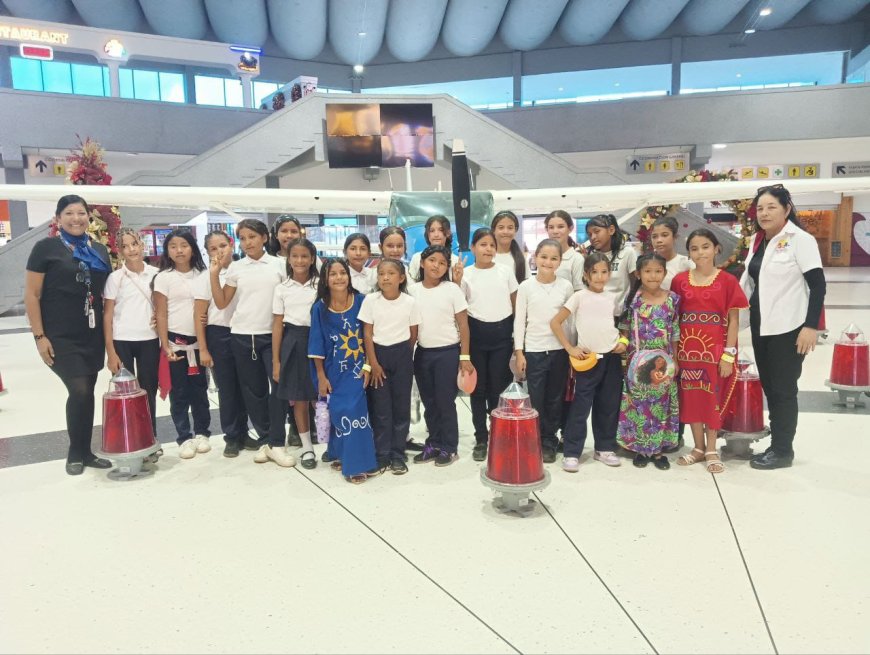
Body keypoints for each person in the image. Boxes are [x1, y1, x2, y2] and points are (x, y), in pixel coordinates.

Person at [24, 194, 113, 475]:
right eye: (69, 213)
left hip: (91, 333)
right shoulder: (45, 248)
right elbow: (32, 294)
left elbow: (106, 293)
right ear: (58, 219)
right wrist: (40, 337)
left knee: (87, 392)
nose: (76, 218)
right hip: (59, 335)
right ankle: (75, 453)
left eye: (81, 213)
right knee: (79, 389)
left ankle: (86, 452)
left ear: (89, 217)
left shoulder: (99, 249)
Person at [742, 184, 826, 470]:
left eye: (771, 207)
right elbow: (750, 282)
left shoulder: (800, 240)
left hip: (789, 327)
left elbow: (817, 285)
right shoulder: (757, 240)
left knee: (783, 389)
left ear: (787, 209)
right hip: (761, 325)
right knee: (770, 386)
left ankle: (782, 451)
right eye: (760, 208)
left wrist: (810, 327)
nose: (764, 213)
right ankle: (776, 445)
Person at [211, 219, 292, 467]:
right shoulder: (236, 268)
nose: (248, 243)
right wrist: (215, 275)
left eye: (252, 237)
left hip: (273, 335)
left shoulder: (279, 265)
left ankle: (277, 440)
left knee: (277, 389)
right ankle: (266, 439)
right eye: (243, 238)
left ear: (265, 238)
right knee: (253, 392)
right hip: (242, 336)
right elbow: (223, 302)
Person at [671, 229, 748, 474]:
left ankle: (713, 448)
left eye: (705, 246)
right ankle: (698, 447)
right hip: (687, 351)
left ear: (716, 249)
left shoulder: (727, 281)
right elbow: (675, 318)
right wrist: (675, 355)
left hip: (715, 351)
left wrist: (728, 354)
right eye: (694, 248)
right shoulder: (680, 280)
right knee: (692, 397)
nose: (700, 252)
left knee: (712, 398)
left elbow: (733, 320)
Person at [550, 253, 627, 472]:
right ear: (586, 274)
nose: (600, 277)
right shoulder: (579, 297)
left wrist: (622, 340)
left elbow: (618, 325)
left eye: (604, 272)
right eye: (595, 272)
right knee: (580, 408)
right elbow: (556, 323)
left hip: (611, 359)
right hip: (588, 361)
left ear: (609, 274)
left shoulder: (612, 298)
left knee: (609, 405)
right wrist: (570, 348)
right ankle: (572, 451)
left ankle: (604, 448)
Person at [308, 258, 378, 483]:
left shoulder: (361, 301)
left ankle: (357, 464)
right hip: (331, 370)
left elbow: (370, 337)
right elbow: (316, 343)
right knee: (338, 409)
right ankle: (339, 453)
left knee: (354, 410)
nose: (338, 277)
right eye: (332, 274)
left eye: (342, 273)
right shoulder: (319, 308)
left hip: (358, 368)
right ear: (325, 280)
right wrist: (320, 376)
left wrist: (368, 365)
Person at [408, 245, 474, 466]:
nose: (436, 265)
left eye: (442, 262)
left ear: (447, 267)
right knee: (429, 402)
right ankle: (433, 443)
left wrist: (464, 357)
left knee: (445, 402)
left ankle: (449, 446)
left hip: (448, 353)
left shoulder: (452, 289)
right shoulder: (413, 290)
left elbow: (463, 324)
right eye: (432, 260)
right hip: (423, 354)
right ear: (422, 262)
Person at [456, 228, 518, 462]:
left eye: (491, 245)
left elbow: (515, 305)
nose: (488, 249)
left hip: (502, 336)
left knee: (498, 389)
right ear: (472, 248)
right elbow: (459, 310)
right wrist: (457, 280)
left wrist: (516, 340)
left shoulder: (505, 271)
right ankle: (481, 438)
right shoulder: (466, 274)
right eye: (482, 244)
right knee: (477, 390)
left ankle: (498, 434)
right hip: (476, 336)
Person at [194, 230, 256, 458]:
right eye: (213, 248)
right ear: (207, 252)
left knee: (245, 386)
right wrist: (203, 348)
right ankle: (231, 436)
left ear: (232, 245)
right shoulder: (205, 277)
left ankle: (244, 431)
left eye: (223, 245)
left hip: (245, 331)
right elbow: (199, 314)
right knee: (227, 389)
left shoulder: (243, 270)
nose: (220, 251)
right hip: (218, 334)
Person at [616, 253, 680, 469]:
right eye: (647, 271)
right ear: (639, 273)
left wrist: (675, 359)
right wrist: (625, 358)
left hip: (664, 361)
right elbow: (624, 328)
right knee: (639, 405)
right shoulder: (633, 299)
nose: (653, 276)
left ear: (664, 272)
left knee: (661, 406)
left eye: (658, 271)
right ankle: (640, 448)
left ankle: (658, 450)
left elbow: (675, 332)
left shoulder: (672, 299)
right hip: (638, 361)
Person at [513, 238, 573, 463]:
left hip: (559, 351)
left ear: (560, 261)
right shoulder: (526, 286)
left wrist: (572, 348)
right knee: (536, 399)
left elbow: (569, 321)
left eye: (554, 258)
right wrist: (520, 352)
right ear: (535, 257)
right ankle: (535, 439)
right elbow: (520, 321)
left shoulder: (565, 286)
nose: (548, 262)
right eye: (544, 257)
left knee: (555, 398)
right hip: (535, 352)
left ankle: (550, 440)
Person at [152, 229, 211, 459]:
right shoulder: (163, 277)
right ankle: (184, 437)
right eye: (173, 246)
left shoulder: (202, 274)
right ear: (167, 250)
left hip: (200, 343)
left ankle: (203, 432)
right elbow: (161, 313)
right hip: (176, 343)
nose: (179, 250)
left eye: (184, 245)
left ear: (192, 248)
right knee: (179, 392)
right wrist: (165, 343)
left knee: (200, 390)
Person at [359, 259, 420, 475]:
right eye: (381, 273)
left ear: (401, 278)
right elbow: (367, 333)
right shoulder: (371, 301)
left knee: (401, 407)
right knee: (381, 408)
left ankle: (398, 454)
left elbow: (413, 334)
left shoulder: (409, 302)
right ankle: (381, 454)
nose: (385, 277)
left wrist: (404, 354)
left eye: (391, 273)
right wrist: (373, 362)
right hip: (378, 356)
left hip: (402, 355)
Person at [103, 228, 160, 441]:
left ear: (142, 244)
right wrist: (111, 352)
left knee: (148, 390)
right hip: (122, 340)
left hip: (149, 340)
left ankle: (149, 436)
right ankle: (128, 437)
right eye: (125, 246)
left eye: (134, 244)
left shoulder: (155, 273)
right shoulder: (115, 278)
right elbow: (107, 316)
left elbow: (163, 306)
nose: (131, 249)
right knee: (124, 391)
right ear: (119, 251)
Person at [271, 238, 320, 470]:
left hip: (319, 340)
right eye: (295, 256)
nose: (300, 261)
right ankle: (307, 446)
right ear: (288, 259)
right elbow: (277, 325)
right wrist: (276, 361)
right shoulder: (282, 289)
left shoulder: (321, 285)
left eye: (304, 256)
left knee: (322, 396)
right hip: (293, 341)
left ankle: (333, 442)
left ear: (312, 259)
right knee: (300, 398)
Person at [378, 225, 426, 453]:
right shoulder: (374, 277)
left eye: (399, 246)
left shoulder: (411, 277)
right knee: (381, 400)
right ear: (381, 247)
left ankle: (402, 438)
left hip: (402, 349)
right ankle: (382, 441)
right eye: (390, 245)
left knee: (403, 397)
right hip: (377, 349)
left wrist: (406, 349)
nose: (395, 250)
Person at [585, 213, 638, 316]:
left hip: (620, 315)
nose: (593, 237)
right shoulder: (591, 256)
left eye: (596, 231)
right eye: (589, 234)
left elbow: (634, 286)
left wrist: (627, 312)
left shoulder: (627, 252)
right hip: (596, 313)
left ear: (611, 230)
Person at [408, 215, 463, 282]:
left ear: (448, 233)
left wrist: (457, 281)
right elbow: (410, 286)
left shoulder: (455, 261)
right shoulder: (417, 258)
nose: (436, 234)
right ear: (427, 234)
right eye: (432, 231)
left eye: (441, 230)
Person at [650, 216, 692, 291]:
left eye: (664, 235)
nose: (659, 240)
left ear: (675, 237)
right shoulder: (647, 263)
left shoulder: (686, 263)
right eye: (654, 236)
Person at [544, 210, 584, 291]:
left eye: (560, 227)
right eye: (551, 227)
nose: (555, 231)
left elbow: (579, 292)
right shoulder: (543, 257)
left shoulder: (576, 259)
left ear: (570, 228)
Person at [491, 210, 530, 285]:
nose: (505, 231)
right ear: (494, 231)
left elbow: (527, 287)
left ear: (515, 231)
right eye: (501, 227)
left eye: (510, 228)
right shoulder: (487, 256)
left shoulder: (521, 260)